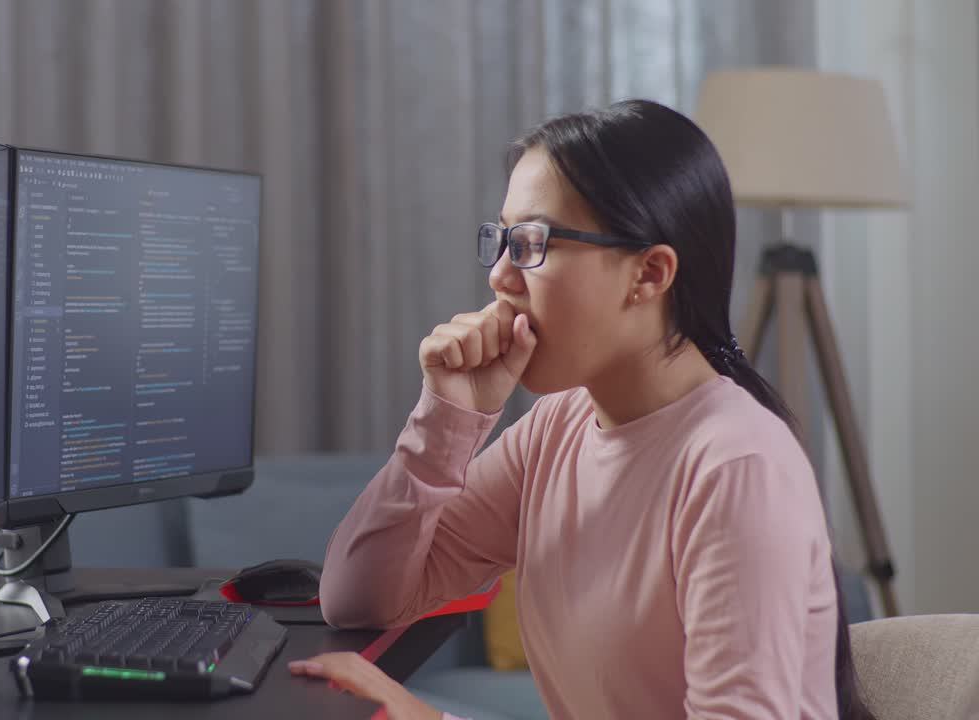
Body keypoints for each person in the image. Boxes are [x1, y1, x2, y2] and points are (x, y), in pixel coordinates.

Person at [287, 100, 873, 720]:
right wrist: (446, 418)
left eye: (532, 243)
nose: (500, 276)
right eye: (502, 240)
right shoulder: (555, 430)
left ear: (649, 273)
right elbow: (358, 601)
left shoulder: (735, 466)